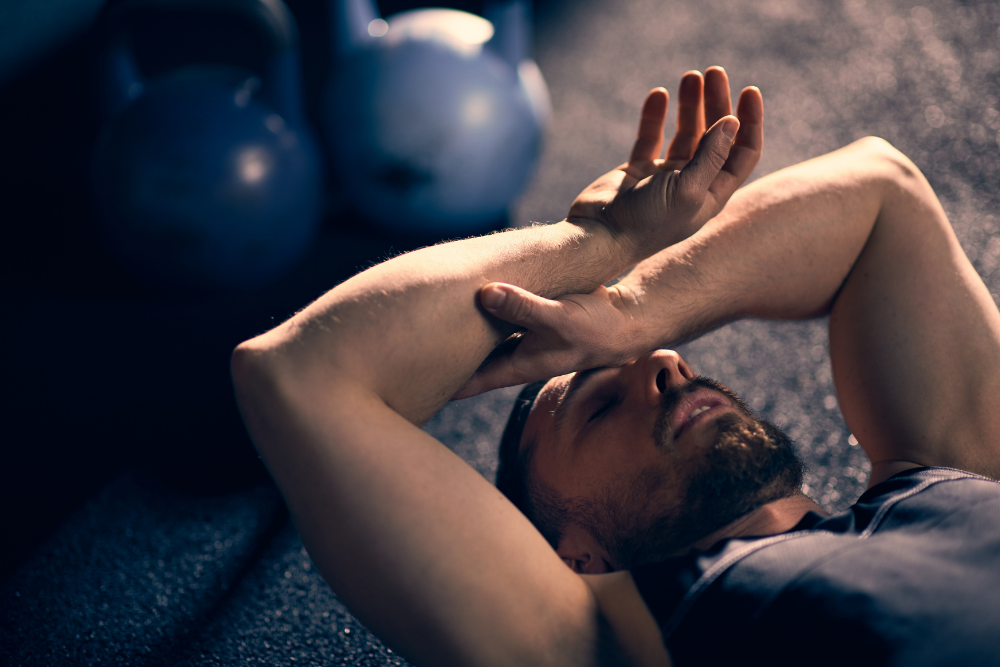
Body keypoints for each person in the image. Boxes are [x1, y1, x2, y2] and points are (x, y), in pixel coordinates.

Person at [231, 66, 1000, 666]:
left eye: (654, 355)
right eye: (597, 405)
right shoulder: (613, 637)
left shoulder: (943, 467)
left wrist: (633, 306)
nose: (663, 364)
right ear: (575, 553)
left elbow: (880, 191)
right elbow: (303, 374)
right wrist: (597, 245)